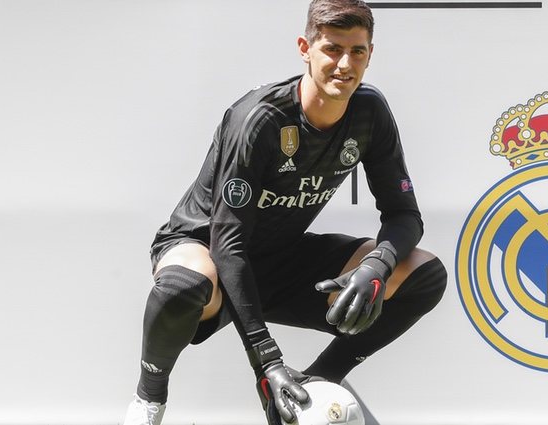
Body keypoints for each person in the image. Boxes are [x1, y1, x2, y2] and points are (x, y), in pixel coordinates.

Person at [123, 1, 447, 424]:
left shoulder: (369, 111)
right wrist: (267, 363)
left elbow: (405, 216)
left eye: (358, 51)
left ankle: (315, 385)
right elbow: (229, 244)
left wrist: (377, 266)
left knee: (424, 274)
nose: (345, 64)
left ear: (371, 54)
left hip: (280, 256)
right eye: (332, 49)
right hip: (210, 251)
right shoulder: (260, 119)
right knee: (183, 285)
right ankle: (149, 399)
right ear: (305, 48)